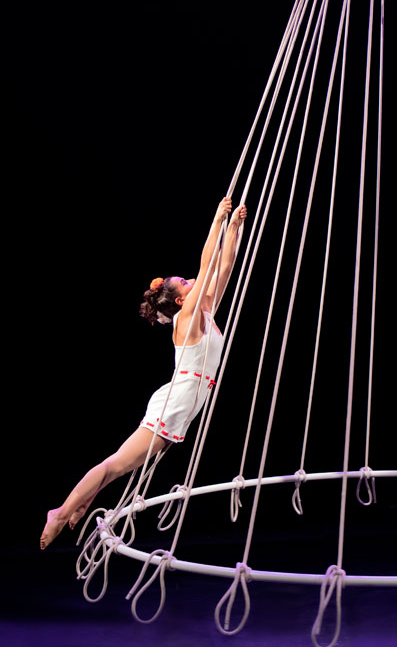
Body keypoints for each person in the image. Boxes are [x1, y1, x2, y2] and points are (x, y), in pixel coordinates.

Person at [40, 197, 247, 549]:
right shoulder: (187, 318)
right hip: (176, 402)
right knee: (116, 465)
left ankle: (83, 501)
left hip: (185, 401)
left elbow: (224, 266)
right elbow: (208, 264)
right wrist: (217, 221)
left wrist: (235, 229)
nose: (193, 280)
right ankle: (59, 512)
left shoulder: (204, 311)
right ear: (180, 301)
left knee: (122, 465)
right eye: (186, 283)